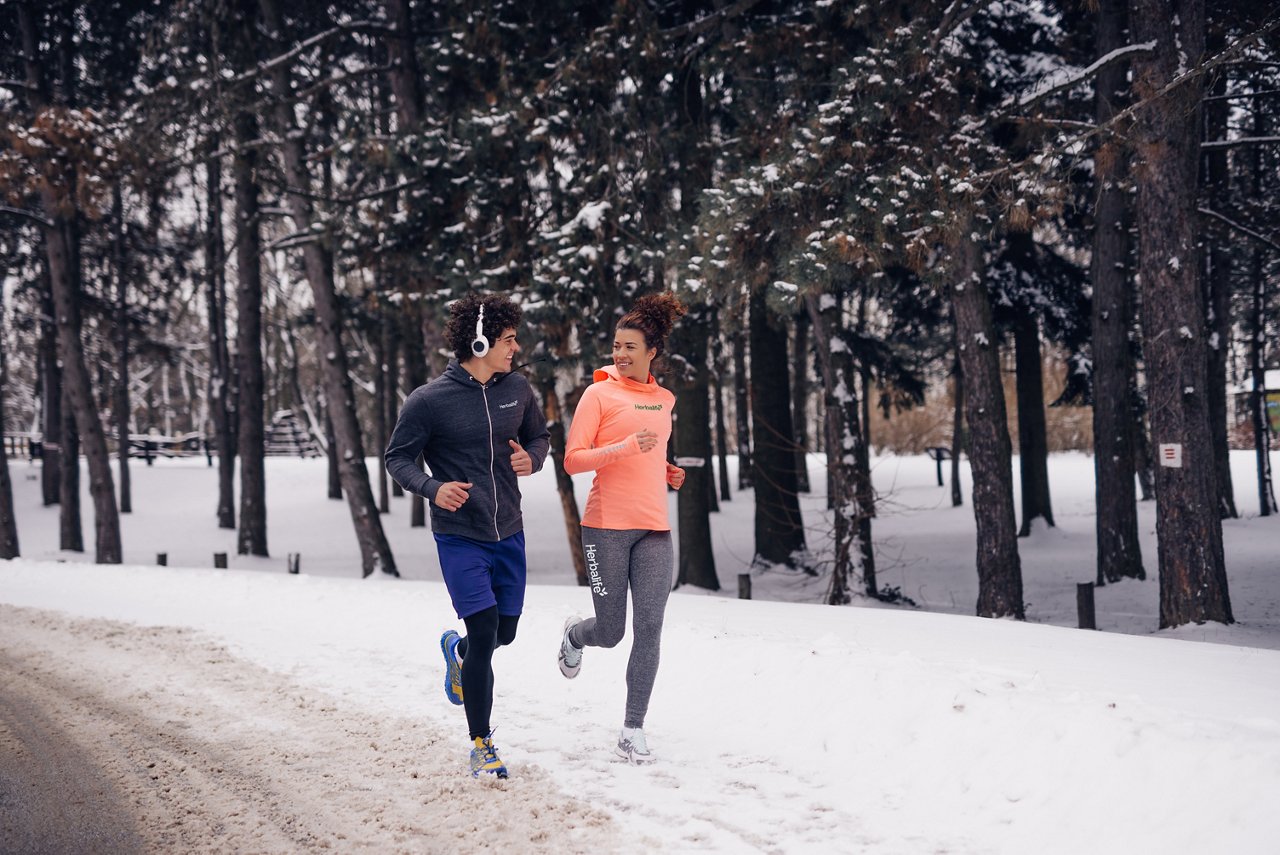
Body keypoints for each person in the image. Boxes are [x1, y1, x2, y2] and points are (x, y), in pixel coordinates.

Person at [385, 293, 550, 779]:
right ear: (479, 343)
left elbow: (540, 438)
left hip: (509, 531)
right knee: (483, 631)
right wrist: (432, 488)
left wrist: (532, 458)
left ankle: (457, 654)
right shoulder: (428, 401)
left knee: (504, 634)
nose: (515, 348)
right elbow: (397, 458)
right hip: (460, 536)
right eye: (508, 340)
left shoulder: (517, 388)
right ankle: (482, 744)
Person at [557, 292, 687, 764]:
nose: (620, 354)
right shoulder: (598, 394)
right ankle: (575, 635)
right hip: (606, 527)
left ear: (652, 352)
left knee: (649, 629)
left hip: (654, 529)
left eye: (630, 347)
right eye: (616, 346)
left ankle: (633, 729)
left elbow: (652, 453)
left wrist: (667, 471)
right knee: (612, 631)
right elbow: (574, 460)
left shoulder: (664, 399)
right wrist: (626, 448)